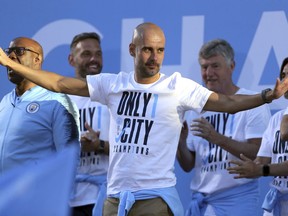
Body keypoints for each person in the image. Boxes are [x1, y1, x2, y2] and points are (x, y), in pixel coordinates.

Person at [0, 23, 287, 216]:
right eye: (148, 49)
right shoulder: (114, 84)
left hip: (155, 199)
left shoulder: (178, 87)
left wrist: (267, 96)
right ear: (132, 50)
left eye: (160, 50)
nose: (154, 57)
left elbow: (228, 103)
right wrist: (13, 64)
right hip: (114, 200)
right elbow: (60, 83)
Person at [176, 39, 271, 216]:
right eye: (204, 67)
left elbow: (259, 154)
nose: (208, 73)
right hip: (201, 202)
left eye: (215, 66)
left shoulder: (252, 102)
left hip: (238, 201)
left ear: (232, 66)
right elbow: (188, 165)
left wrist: (216, 138)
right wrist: (180, 142)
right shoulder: (195, 109)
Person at [0, 37, 80, 175]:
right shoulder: (5, 102)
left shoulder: (57, 102)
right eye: (9, 52)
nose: (11, 56)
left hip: (37, 194)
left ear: (37, 60)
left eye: (19, 51)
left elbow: (69, 160)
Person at [228, 57, 288, 216]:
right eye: (283, 75)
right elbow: (262, 160)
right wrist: (250, 168)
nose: (284, 81)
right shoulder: (277, 118)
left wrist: (262, 169)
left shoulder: (284, 118)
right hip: (276, 204)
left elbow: (285, 132)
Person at [68, 32, 110, 216]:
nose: (94, 59)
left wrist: (98, 145)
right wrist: (75, 146)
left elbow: (129, 149)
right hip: (67, 199)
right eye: (86, 54)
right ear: (71, 59)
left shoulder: (113, 97)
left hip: (107, 198)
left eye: (98, 54)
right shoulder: (59, 102)